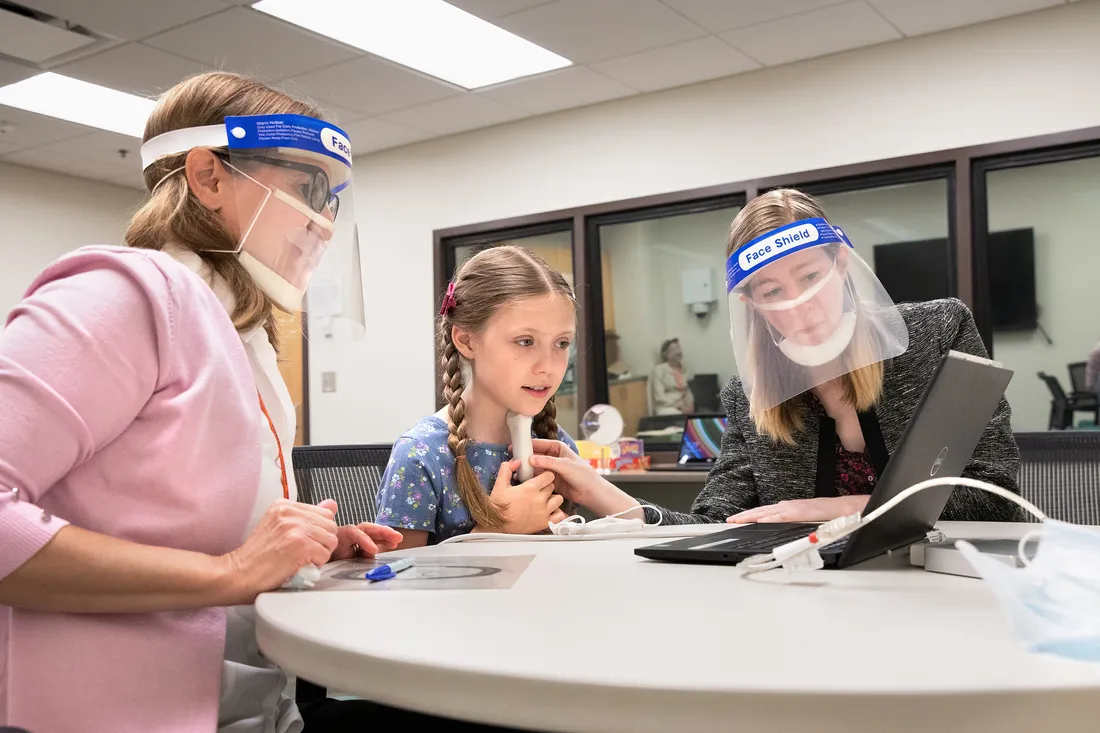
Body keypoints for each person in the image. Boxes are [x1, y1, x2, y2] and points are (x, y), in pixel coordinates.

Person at [0, 71, 407, 733]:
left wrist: (291, 548)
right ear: (209, 176)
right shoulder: (121, 296)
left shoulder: (239, 333)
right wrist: (235, 568)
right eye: (308, 188)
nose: (324, 223)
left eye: (332, 198)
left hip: (249, 708)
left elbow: (171, 520)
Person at [528, 189, 1023, 527]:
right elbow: (712, 525)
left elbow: (993, 499)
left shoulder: (938, 334)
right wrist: (605, 495)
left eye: (810, 277)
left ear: (842, 263)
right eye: (772, 290)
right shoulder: (750, 397)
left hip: (956, 582)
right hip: (825, 598)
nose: (800, 306)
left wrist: (839, 509)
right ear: (752, 304)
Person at [377, 245, 580, 548]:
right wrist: (497, 530)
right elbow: (396, 579)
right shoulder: (422, 455)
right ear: (467, 341)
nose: (548, 367)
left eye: (561, 343)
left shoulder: (556, 447)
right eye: (525, 341)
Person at [649, 338, 695, 414]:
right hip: (666, 407)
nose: (679, 352)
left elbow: (688, 390)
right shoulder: (658, 370)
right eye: (674, 349)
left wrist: (689, 405)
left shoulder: (685, 368)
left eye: (679, 348)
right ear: (665, 354)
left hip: (685, 405)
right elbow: (659, 397)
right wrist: (679, 402)